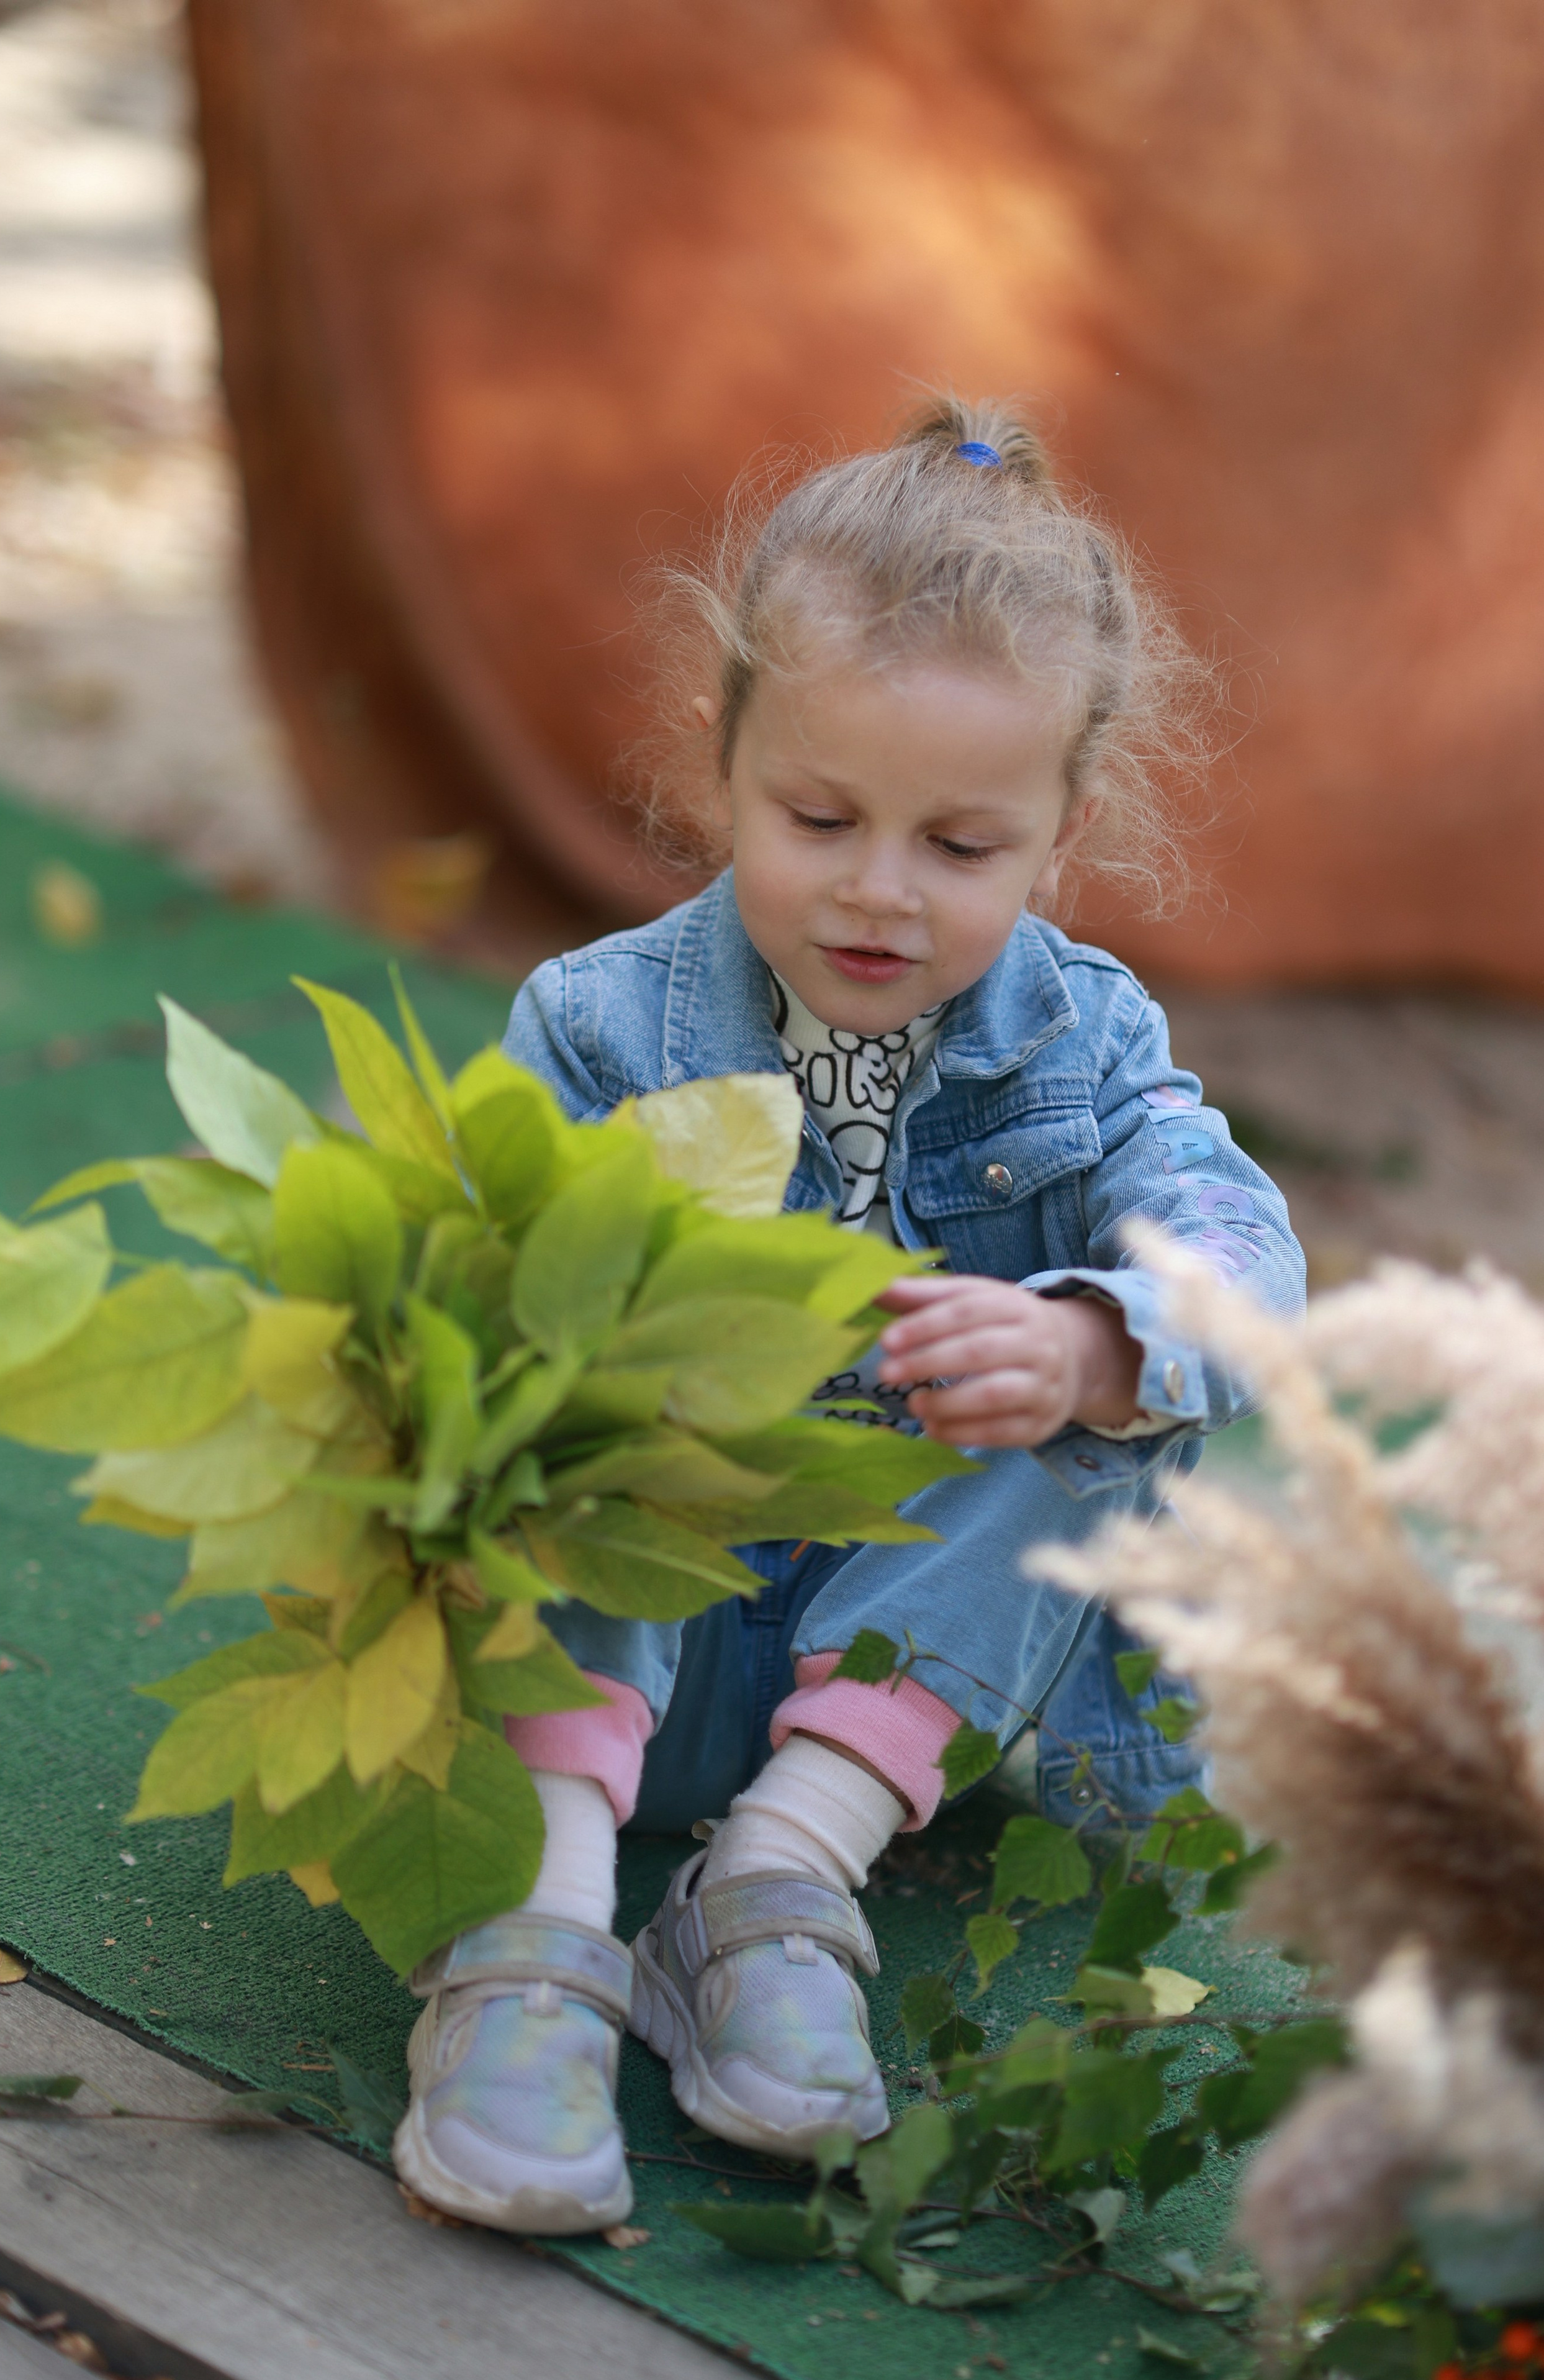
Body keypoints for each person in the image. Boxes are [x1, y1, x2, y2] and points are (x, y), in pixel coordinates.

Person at [392, 399, 1305, 2235]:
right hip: (620, 1660)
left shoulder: (1089, 1043)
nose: (880, 889)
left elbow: (1245, 1253)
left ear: (1063, 832)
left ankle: (772, 1887)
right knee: (547, 1402)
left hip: (888, 1712)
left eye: (963, 846)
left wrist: (1095, 1343)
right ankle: (545, 1918)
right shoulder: (599, 1028)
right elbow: (464, 1310)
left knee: (1101, 1399)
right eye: (821, 818)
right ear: (724, 771)